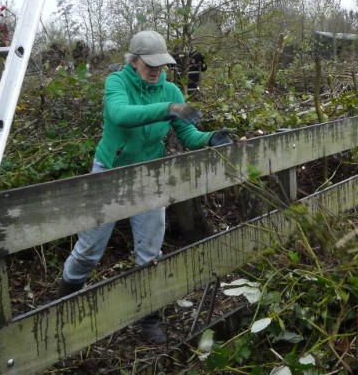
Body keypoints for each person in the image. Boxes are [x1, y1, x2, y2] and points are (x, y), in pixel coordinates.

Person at [56, 30, 233, 344]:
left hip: (149, 176)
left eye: (161, 64)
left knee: (150, 252)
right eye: (150, 64)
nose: (156, 70)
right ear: (133, 60)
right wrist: (168, 108)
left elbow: (188, 136)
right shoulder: (117, 82)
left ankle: (149, 318)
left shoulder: (170, 90)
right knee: (88, 251)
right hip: (109, 174)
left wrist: (210, 138)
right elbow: (121, 115)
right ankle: (61, 310)